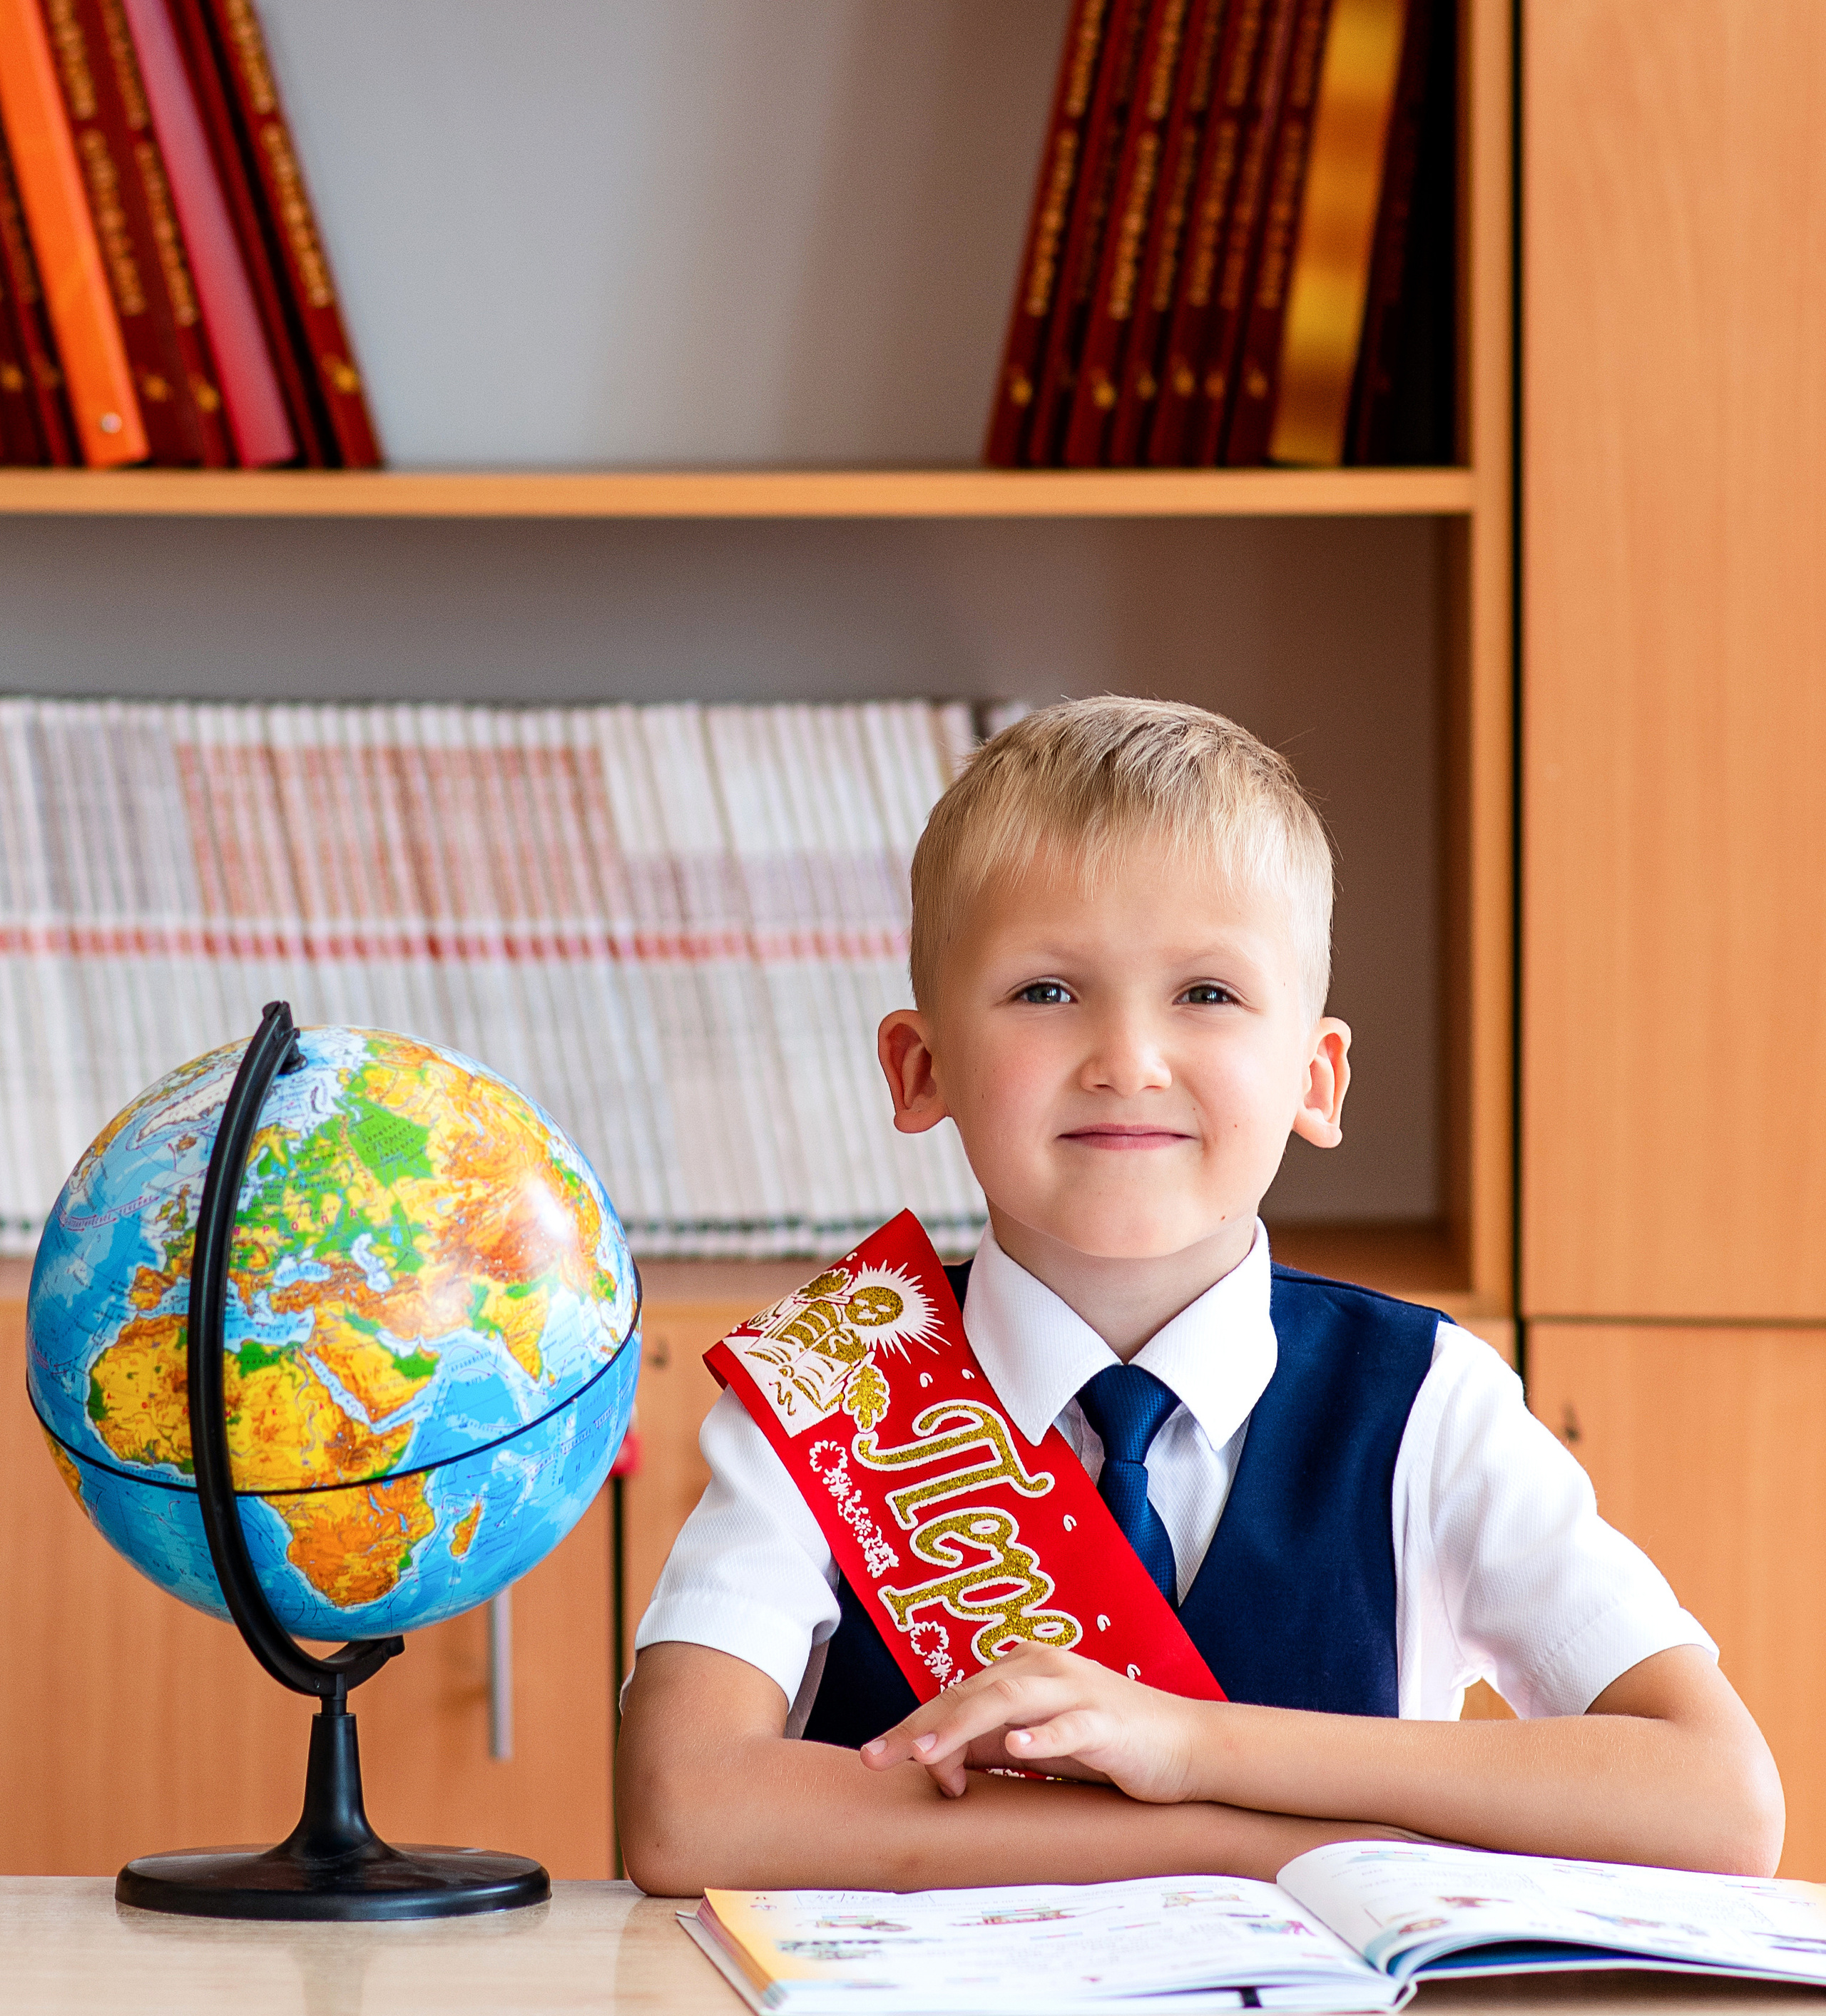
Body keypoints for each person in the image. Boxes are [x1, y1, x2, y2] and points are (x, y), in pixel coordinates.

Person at [616, 697, 1782, 1895]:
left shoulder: (1429, 1405)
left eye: (1209, 994)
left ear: (1315, 1080)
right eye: (1048, 992)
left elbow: (1717, 1800)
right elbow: (683, 1806)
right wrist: (1253, 1839)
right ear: (922, 1069)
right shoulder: (833, 1387)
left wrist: (1194, 1746)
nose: (1130, 1057)